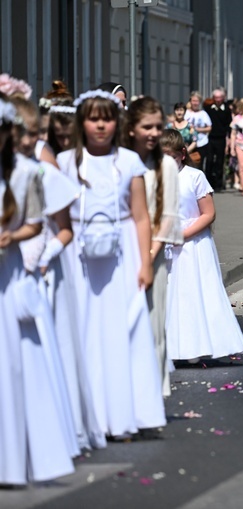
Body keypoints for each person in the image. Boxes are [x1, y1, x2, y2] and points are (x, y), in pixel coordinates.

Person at [57, 88, 165, 441]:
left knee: (122, 331)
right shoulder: (64, 163)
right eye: (93, 119)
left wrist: (146, 263)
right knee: (83, 332)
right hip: (78, 256)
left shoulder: (128, 162)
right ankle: (84, 418)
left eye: (106, 118)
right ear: (82, 123)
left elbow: (140, 217)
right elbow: (57, 219)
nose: (100, 125)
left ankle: (124, 416)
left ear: (116, 122)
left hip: (121, 256)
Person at [0, 93, 78, 485]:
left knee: (23, 354)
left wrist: (19, 243)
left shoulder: (31, 174)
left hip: (20, 269)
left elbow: (47, 224)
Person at [159, 129, 243, 362]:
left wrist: (182, 234)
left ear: (182, 154)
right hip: (165, 243)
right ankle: (173, 348)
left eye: (171, 157)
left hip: (193, 243)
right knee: (170, 297)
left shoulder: (194, 176)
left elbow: (208, 214)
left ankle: (198, 346)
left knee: (193, 294)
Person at [123, 97, 183, 398]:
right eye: (147, 126)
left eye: (159, 126)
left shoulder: (166, 166)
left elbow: (168, 218)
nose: (153, 132)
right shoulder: (118, 159)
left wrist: (148, 255)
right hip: (120, 254)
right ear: (131, 128)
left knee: (153, 324)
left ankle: (153, 394)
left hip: (152, 255)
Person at [203, 87, 232, 192]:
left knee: (220, 161)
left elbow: (229, 125)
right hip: (210, 138)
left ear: (223, 98)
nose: (218, 100)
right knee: (209, 161)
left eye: (220, 98)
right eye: (216, 98)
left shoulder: (227, 109)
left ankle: (219, 184)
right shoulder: (208, 109)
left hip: (221, 138)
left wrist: (228, 139)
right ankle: (209, 183)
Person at [184, 91, 212, 182]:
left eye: (197, 101)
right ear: (190, 101)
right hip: (188, 143)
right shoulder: (186, 113)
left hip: (201, 143)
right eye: (193, 100)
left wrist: (197, 129)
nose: (195, 103)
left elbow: (209, 128)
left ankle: (199, 182)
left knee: (198, 164)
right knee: (187, 163)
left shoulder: (203, 114)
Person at [167, 102, 198, 166]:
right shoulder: (170, 126)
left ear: (185, 111)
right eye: (177, 110)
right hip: (173, 157)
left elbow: (194, 141)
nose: (179, 112)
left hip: (188, 156)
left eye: (181, 110)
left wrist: (186, 151)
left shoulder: (190, 126)